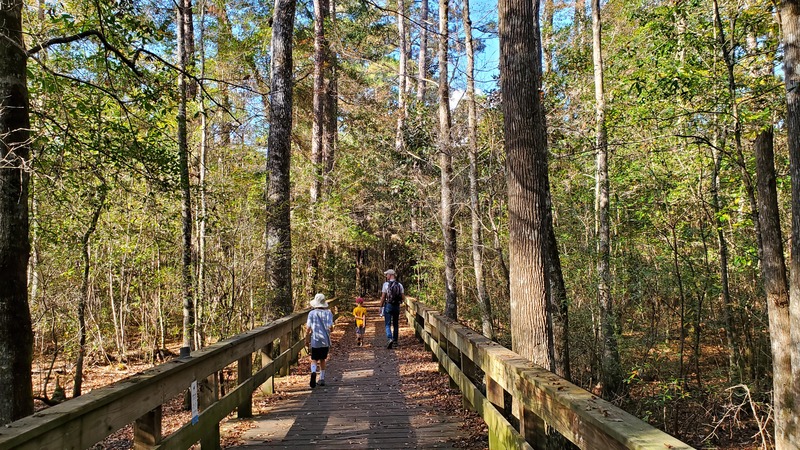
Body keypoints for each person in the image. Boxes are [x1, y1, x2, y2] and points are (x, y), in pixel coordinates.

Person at [305, 293, 334, 388]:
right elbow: (331, 327)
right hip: (325, 340)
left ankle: (313, 372)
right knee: (322, 359)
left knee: (314, 359)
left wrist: (306, 339)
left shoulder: (311, 313)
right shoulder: (329, 313)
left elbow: (308, 328)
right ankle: (321, 378)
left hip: (315, 339)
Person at [379, 269, 404, 349]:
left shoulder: (385, 285)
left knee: (387, 324)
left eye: (387, 275)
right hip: (396, 306)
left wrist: (380, 306)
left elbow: (383, 297)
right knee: (396, 324)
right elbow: (403, 297)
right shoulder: (399, 285)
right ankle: (395, 341)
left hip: (388, 305)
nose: (386, 276)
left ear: (390, 275)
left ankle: (389, 338)